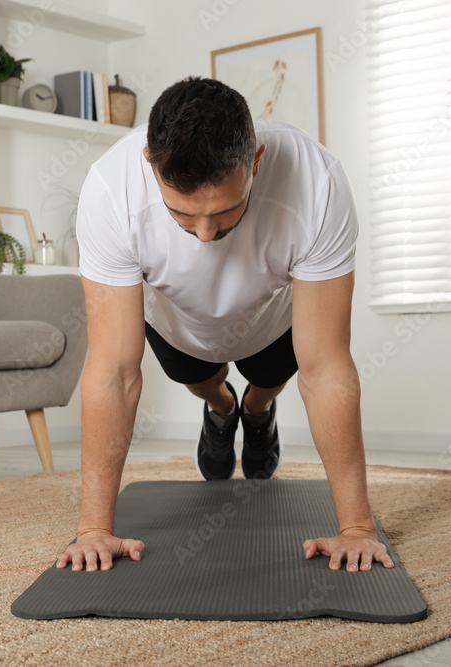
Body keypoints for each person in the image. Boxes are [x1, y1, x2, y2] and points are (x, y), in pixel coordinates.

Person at [55, 76, 393, 575]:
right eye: (183, 214)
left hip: (271, 321)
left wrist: (357, 528)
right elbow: (113, 372)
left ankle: (257, 412)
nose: (206, 234)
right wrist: (93, 530)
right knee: (206, 385)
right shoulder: (110, 190)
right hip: (179, 325)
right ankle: (223, 408)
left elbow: (325, 368)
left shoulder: (317, 181)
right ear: (151, 165)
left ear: (255, 161)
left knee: (270, 383)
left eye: (225, 210)